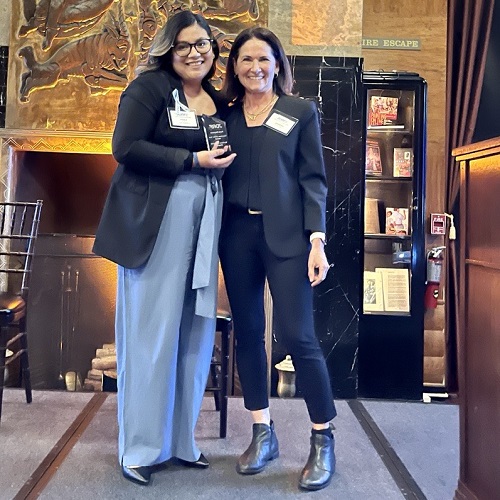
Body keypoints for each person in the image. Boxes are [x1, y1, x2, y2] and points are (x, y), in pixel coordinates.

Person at [93, 10, 235, 486]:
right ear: (168, 49)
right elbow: (125, 147)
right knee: (151, 335)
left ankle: (179, 442)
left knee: (195, 331)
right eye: (184, 45)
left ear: (214, 49)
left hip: (205, 219)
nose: (195, 53)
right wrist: (191, 159)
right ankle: (139, 448)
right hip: (157, 223)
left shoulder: (217, 98)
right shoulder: (149, 89)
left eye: (203, 44)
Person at [219, 26, 336, 492]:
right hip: (236, 236)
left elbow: (313, 180)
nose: (255, 67)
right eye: (246, 59)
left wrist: (317, 240)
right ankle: (262, 432)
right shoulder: (225, 117)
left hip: (288, 239)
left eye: (263, 59)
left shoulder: (299, 112)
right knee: (248, 333)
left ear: (278, 64)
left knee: (298, 336)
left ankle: (323, 438)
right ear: (235, 67)